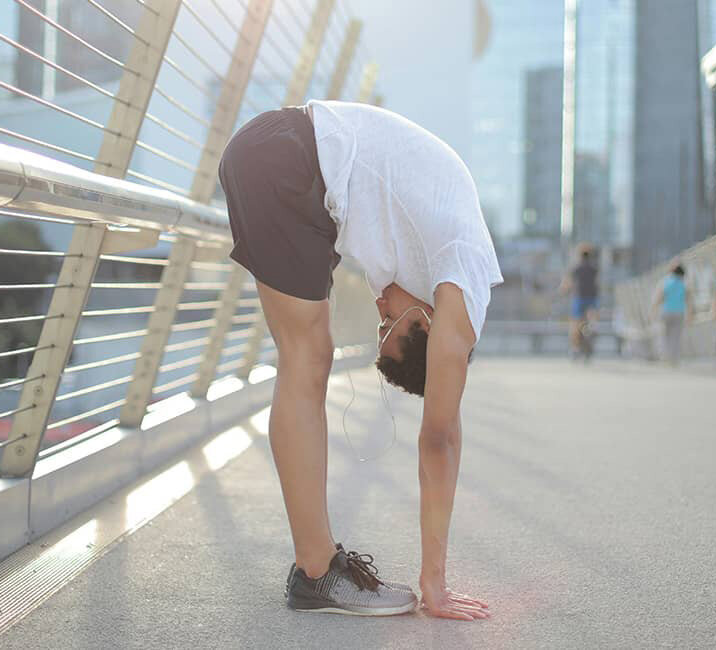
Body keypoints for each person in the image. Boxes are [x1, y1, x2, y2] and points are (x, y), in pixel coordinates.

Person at [219, 100, 501, 620]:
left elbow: (444, 420)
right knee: (307, 357)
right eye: (388, 323)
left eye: (380, 323)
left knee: (306, 355)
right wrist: (434, 583)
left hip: (289, 161)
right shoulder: (463, 276)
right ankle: (316, 572)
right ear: (428, 326)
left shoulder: (442, 264)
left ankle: (316, 567)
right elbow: (441, 435)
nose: (379, 306)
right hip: (290, 159)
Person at [560, 246, 599, 360]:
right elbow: (597, 283)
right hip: (592, 298)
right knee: (592, 318)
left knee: (575, 324)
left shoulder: (576, 268)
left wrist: (563, 292)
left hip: (579, 298)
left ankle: (575, 348)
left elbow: (567, 284)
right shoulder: (594, 269)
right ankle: (592, 329)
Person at [655, 264, 689, 365]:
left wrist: (654, 309)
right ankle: (674, 358)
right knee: (676, 336)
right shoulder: (684, 284)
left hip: (666, 311)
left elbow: (660, 297)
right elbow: (688, 299)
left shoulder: (665, 282)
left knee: (664, 335)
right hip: (679, 312)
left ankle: (665, 357)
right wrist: (690, 314)